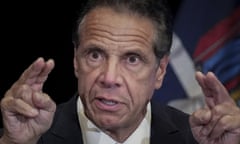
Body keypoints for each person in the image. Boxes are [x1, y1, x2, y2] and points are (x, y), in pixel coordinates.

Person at [0, 0, 240, 143]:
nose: (109, 78)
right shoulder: (29, 137)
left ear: (160, 71)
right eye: (95, 55)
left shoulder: (198, 139)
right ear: (75, 59)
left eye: (132, 59)